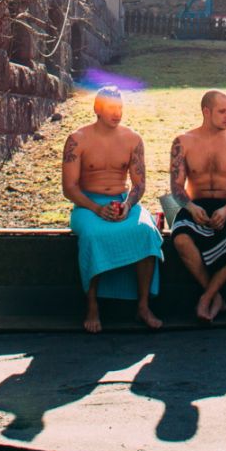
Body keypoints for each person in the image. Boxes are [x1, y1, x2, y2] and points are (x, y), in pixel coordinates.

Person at [62, 85, 163, 333]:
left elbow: (139, 184)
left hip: (121, 201)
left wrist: (128, 205)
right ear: (97, 109)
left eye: (120, 108)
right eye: (110, 108)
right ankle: (92, 304)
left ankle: (143, 305)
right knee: (94, 235)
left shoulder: (132, 139)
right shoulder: (77, 139)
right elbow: (69, 188)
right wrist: (96, 209)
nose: (116, 114)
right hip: (87, 205)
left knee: (147, 231)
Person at [168, 90, 226, 322]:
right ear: (206, 112)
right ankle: (215, 296)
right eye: (222, 111)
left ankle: (206, 298)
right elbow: (176, 187)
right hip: (195, 206)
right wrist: (190, 207)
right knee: (180, 239)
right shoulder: (183, 142)